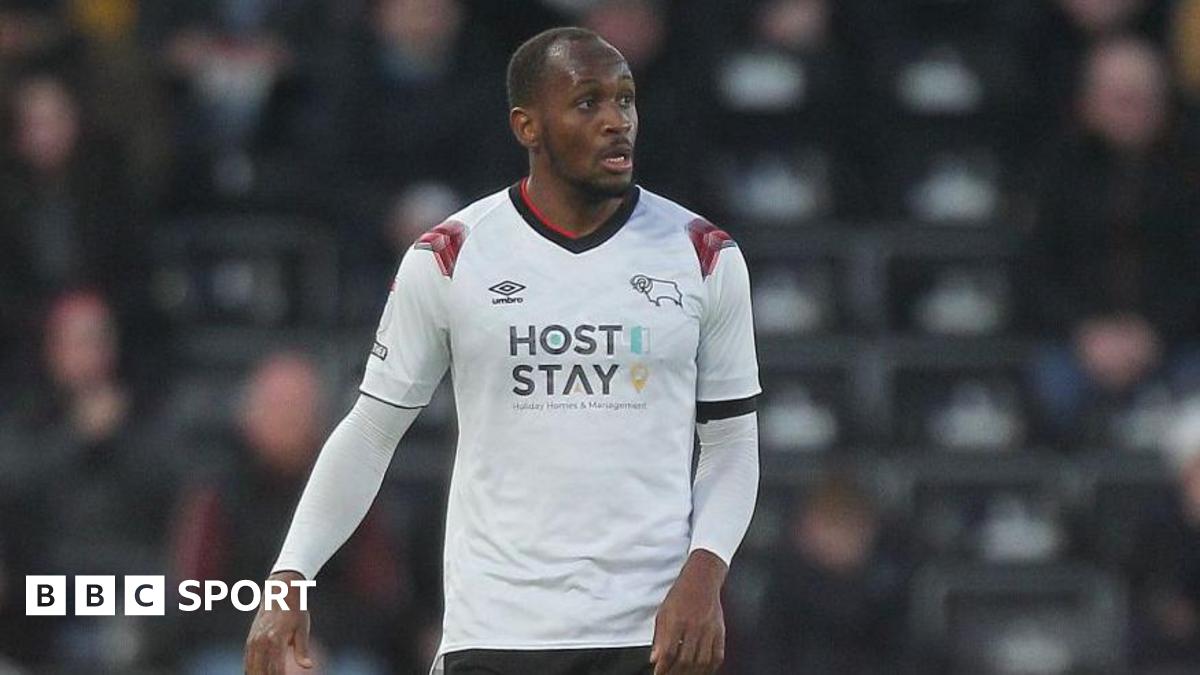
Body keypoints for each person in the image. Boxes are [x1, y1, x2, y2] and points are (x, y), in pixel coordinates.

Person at [244, 26, 761, 675]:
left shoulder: (703, 254)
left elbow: (732, 440)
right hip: (493, 631)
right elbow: (372, 429)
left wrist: (706, 569)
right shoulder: (451, 255)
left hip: (648, 632)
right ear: (527, 125)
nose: (616, 121)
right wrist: (291, 572)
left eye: (625, 100)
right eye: (588, 102)